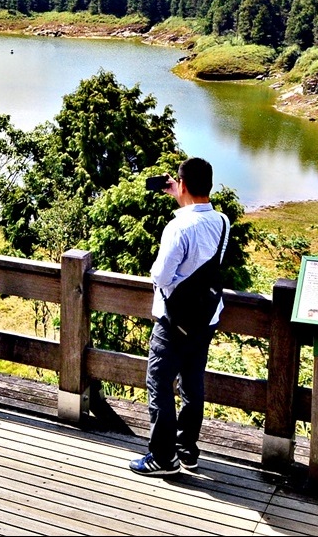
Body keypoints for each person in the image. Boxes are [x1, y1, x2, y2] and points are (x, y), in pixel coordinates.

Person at [129, 156, 230, 477]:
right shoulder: (223, 222)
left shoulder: (178, 227)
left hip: (173, 320)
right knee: (192, 384)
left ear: (183, 183)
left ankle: (162, 457)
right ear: (209, 186)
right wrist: (179, 195)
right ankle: (187, 450)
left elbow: (160, 275)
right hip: (206, 317)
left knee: (158, 382)